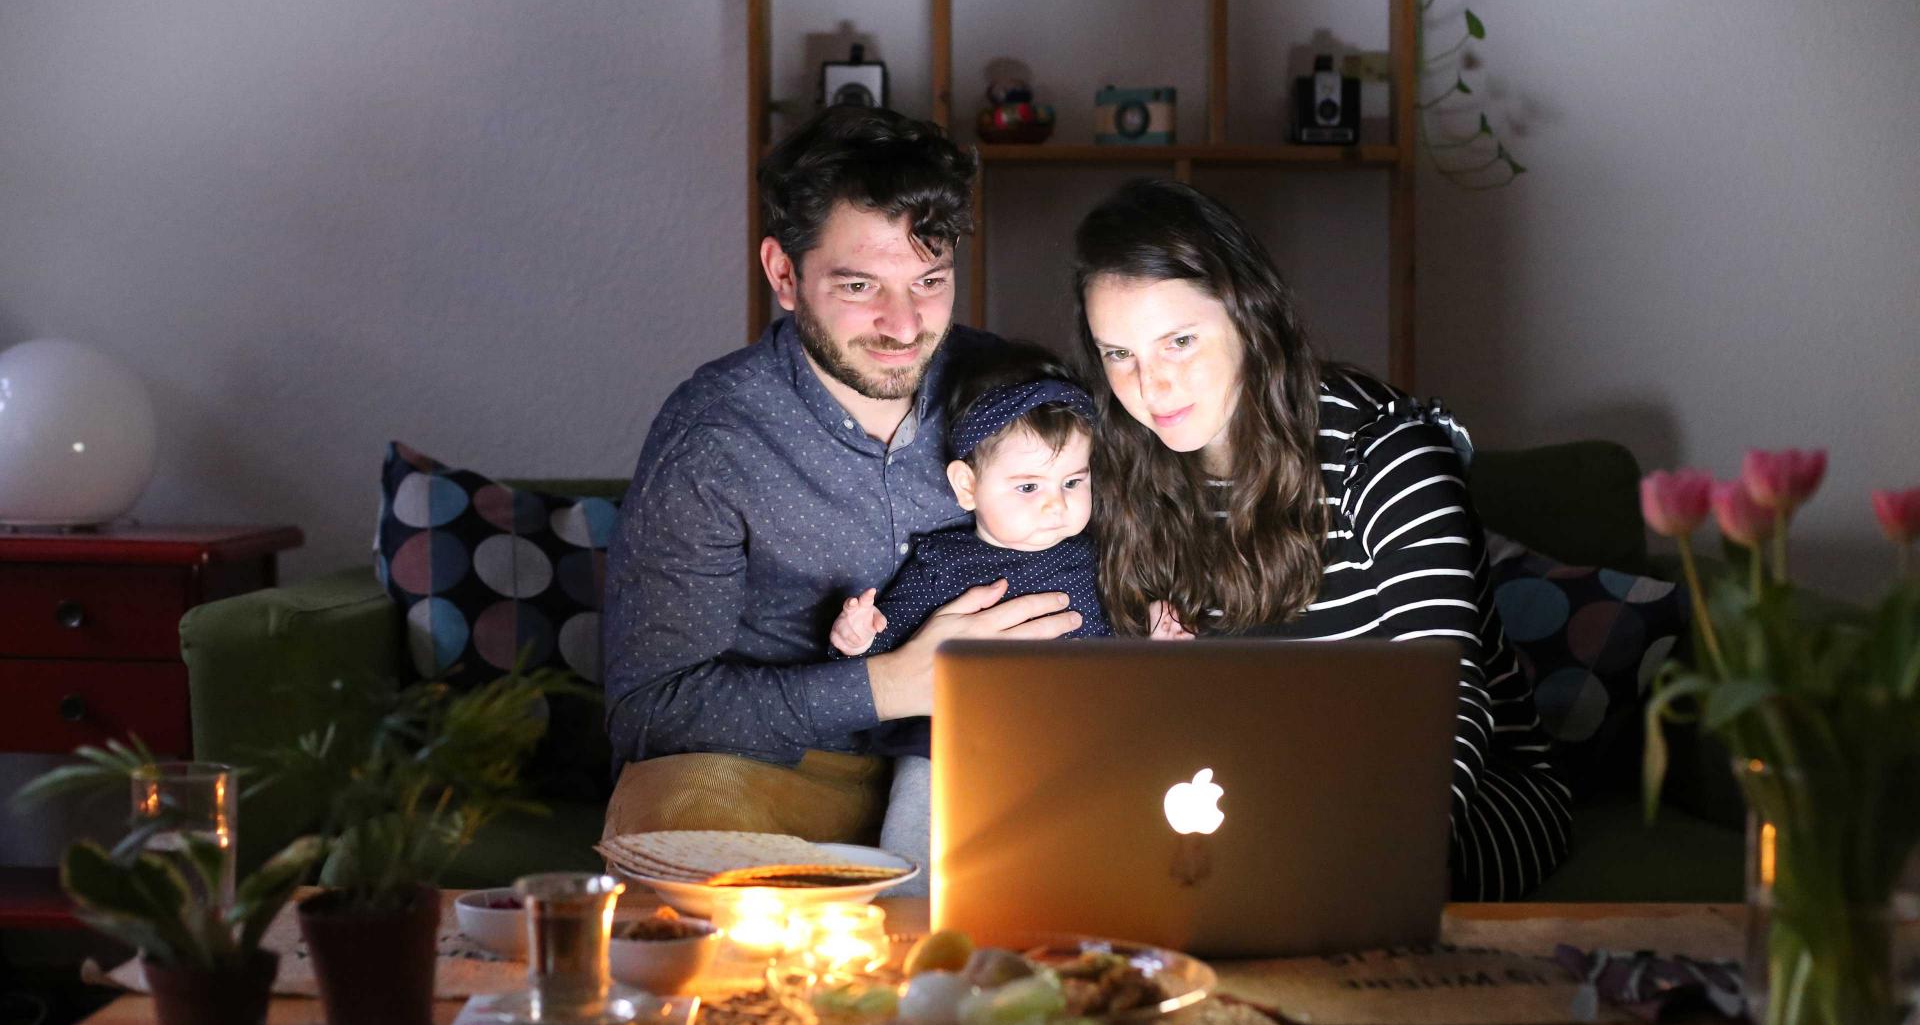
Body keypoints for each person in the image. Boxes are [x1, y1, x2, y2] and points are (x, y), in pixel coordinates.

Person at [1073, 178, 1570, 899]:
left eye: (1180, 342)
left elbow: (1450, 694)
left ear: (1248, 314)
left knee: (1303, 885)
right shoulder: (1118, 469)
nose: (1152, 386)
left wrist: (1381, 845)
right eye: (1119, 355)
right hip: (1238, 797)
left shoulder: (1386, 452)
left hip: (1453, 799)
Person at [600, 106, 1081, 846]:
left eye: (930, 280)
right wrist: (891, 684)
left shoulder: (1005, 388)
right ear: (784, 274)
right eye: (860, 287)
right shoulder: (711, 439)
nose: (904, 324)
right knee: (677, 817)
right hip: (784, 773)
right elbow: (649, 709)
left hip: (998, 751)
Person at [827, 348, 1112, 871]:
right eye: (1028, 486)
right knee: (920, 824)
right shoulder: (944, 562)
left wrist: (1157, 641)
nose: (1057, 504)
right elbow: (889, 656)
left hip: (1067, 739)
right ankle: (909, 912)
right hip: (952, 741)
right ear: (967, 487)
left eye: (1073, 481)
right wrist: (859, 637)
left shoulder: (1098, 558)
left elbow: (1122, 652)